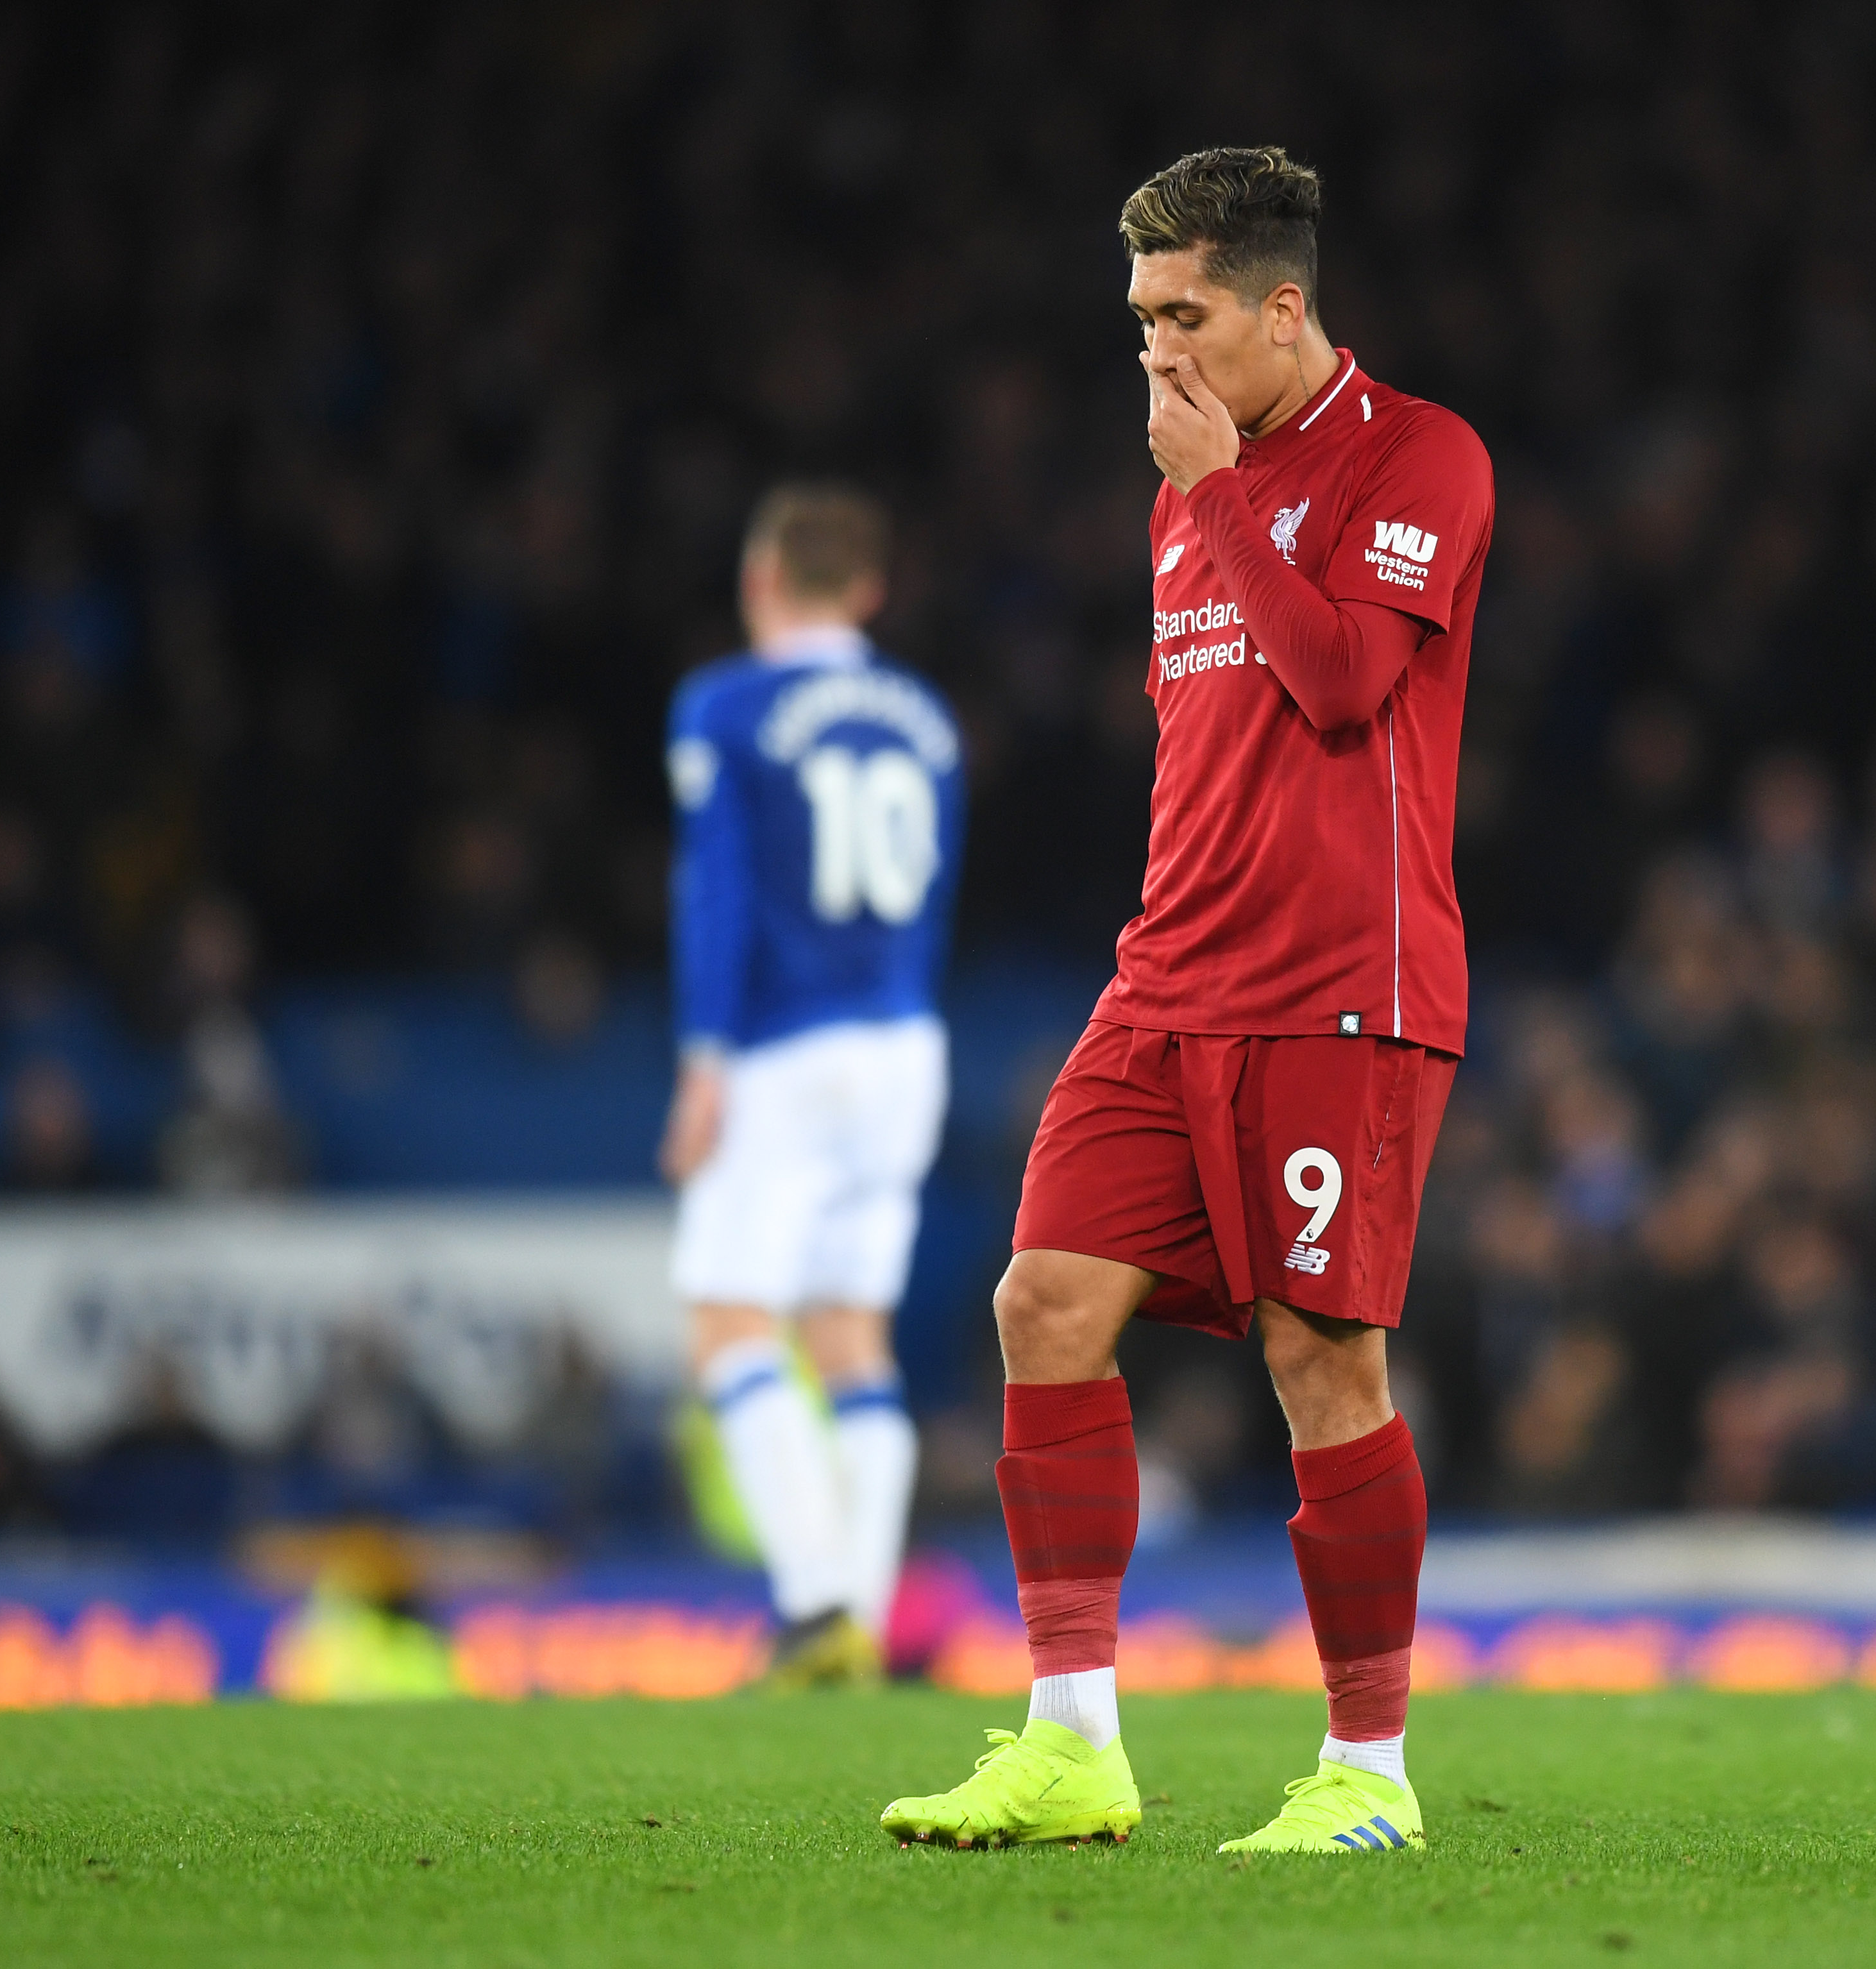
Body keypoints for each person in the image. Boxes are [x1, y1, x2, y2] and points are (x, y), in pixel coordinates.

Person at [882, 147, 1494, 1855]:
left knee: (1321, 1356)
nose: (1156, 350)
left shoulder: (1417, 455)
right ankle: (1074, 1740)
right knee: (1043, 1302)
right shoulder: (1184, 489)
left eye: (1186, 315)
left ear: (1283, 308)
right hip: (1167, 983)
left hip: (1340, 990)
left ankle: (1368, 1772)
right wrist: (1211, 492)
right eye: (1141, 318)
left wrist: (1222, 494)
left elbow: (1349, 683)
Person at [660, 483, 965, 1686]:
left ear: (762, 579)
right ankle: (863, 1618)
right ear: (871, 590)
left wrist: (704, 1059)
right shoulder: (925, 717)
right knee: (851, 1335)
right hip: (905, 1038)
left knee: (730, 1319)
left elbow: (717, 890)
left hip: (784, 1046)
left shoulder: (726, 705)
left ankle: (814, 1606)